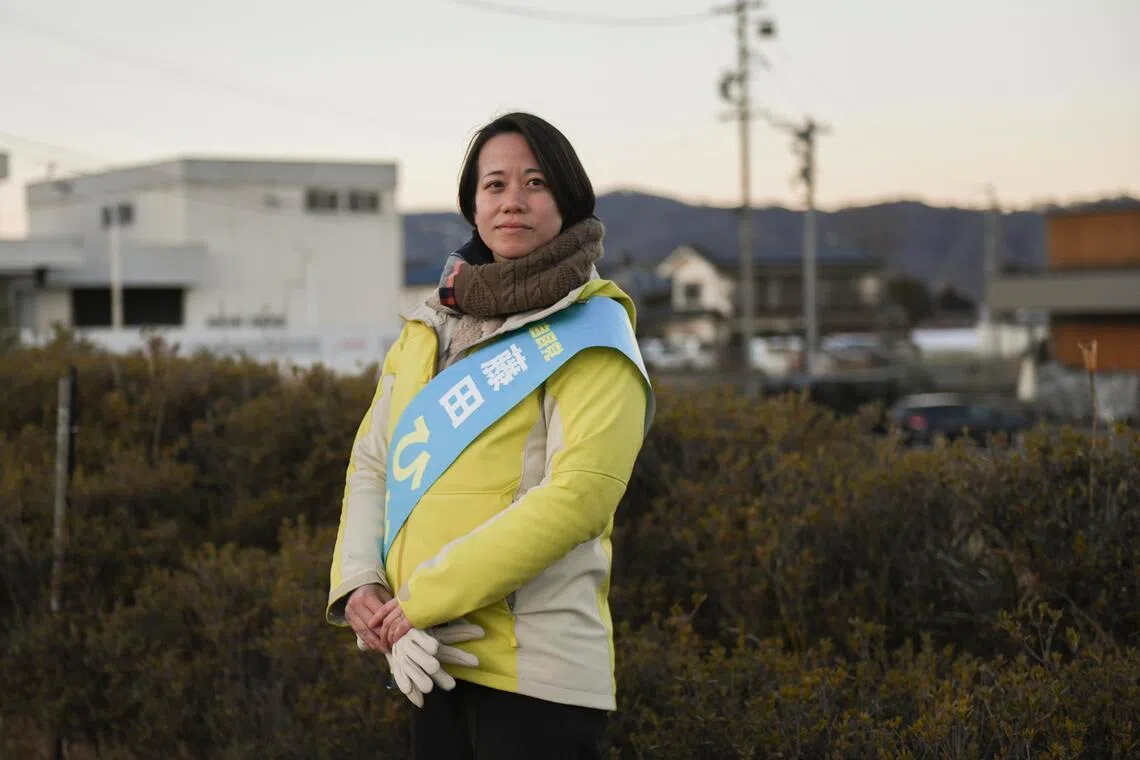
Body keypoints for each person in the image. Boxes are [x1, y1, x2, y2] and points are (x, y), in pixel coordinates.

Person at [326, 111, 654, 759]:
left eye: (535, 183)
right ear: (472, 205)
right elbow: (374, 465)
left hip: (538, 674)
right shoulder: (428, 327)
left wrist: (422, 597)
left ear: (568, 199)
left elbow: (577, 499)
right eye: (494, 184)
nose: (513, 201)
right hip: (427, 655)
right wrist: (362, 585)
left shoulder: (594, 332)